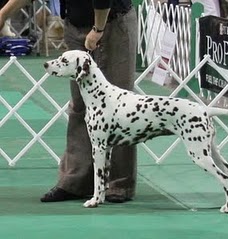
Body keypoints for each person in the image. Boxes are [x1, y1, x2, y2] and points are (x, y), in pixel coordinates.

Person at [0, 0, 138, 203]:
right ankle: (75, 181)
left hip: (112, 23)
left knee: (118, 107)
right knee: (80, 105)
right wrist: (3, 14)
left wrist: (97, 29)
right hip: (75, 23)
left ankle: (119, 184)